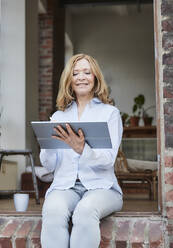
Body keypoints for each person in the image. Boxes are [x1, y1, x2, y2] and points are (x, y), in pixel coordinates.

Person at [40, 54, 123, 248]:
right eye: (75, 73)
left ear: (95, 78)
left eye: (87, 72)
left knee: (85, 211)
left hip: (103, 187)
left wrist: (82, 149)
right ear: (69, 80)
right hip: (65, 187)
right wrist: (48, 145)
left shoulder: (110, 114)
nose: (81, 77)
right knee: (52, 210)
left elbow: (109, 160)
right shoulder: (58, 116)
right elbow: (49, 166)